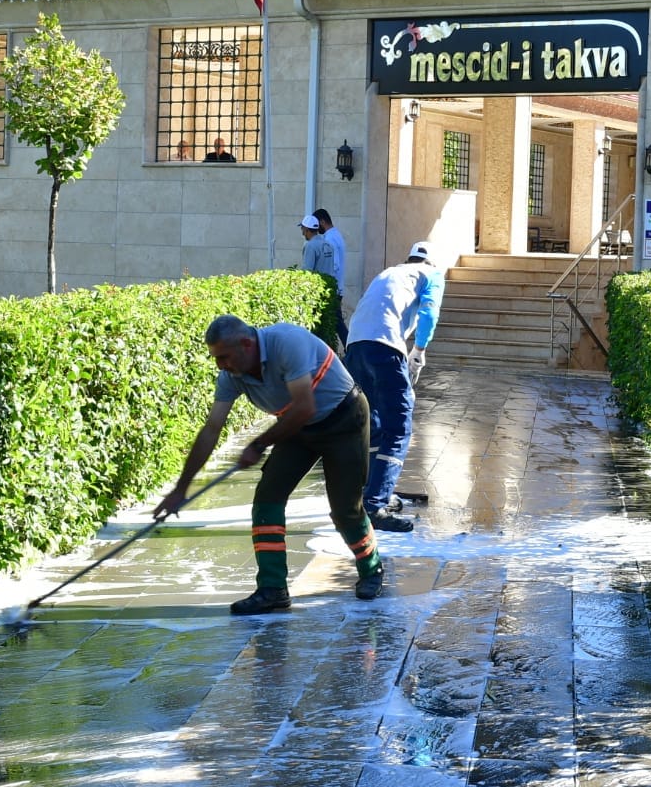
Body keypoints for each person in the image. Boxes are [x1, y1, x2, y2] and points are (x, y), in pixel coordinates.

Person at [153, 315, 385, 614]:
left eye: (224, 357)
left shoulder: (287, 343)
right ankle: (273, 588)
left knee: (345, 508)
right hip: (298, 429)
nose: (220, 365)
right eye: (216, 358)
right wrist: (180, 489)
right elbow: (211, 429)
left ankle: (371, 570)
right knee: (267, 500)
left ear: (247, 344)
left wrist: (259, 444)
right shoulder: (231, 376)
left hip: (344, 419)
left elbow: (304, 406)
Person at [343, 241, 445, 533]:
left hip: (355, 346)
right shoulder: (432, 275)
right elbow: (429, 314)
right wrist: (419, 351)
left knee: (374, 426)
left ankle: (371, 491)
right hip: (386, 346)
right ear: (432, 263)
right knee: (399, 427)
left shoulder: (391, 272)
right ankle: (375, 504)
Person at [315, 208, 347, 343]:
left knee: (336, 323)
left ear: (322, 221)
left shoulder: (330, 239)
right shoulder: (336, 235)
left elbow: (334, 264)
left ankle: (351, 349)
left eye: (317, 224)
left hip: (333, 288)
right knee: (335, 322)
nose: (317, 228)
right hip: (338, 287)